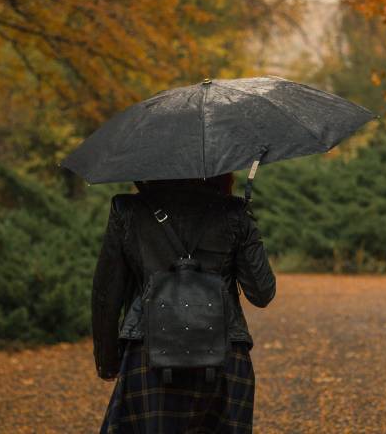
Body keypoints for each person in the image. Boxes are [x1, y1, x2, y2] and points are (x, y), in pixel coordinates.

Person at [92, 172, 276, 433]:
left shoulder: (128, 210)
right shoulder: (234, 212)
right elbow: (262, 292)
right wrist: (245, 222)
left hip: (147, 354)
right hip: (225, 356)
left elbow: (106, 293)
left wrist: (107, 361)